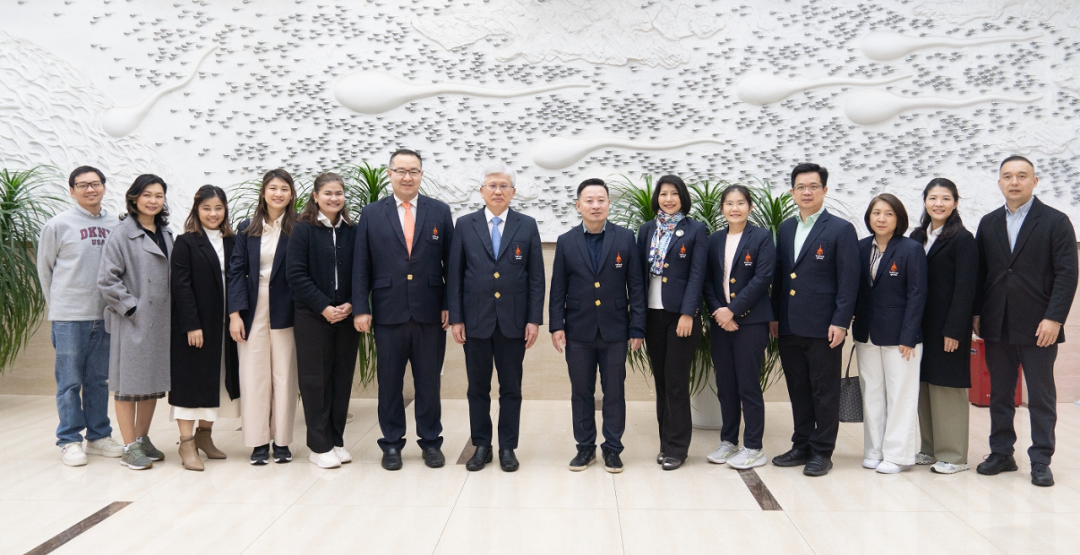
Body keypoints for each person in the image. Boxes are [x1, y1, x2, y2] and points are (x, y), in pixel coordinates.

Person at [974, 155, 1078, 487]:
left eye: (1022, 175)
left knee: (1041, 395)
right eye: (1008, 176)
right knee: (1000, 393)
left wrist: (1054, 319)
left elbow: (1067, 274)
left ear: (1035, 181)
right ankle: (1002, 452)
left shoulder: (1055, 221)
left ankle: (1040, 459)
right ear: (1000, 182)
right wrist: (977, 313)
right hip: (997, 323)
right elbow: (981, 274)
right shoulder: (988, 223)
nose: (1014, 182)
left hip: (1039, 326)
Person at [353, 149, 455, 471]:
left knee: (428, 384)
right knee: (389, 383)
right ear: (389, 174)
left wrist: (449, 304)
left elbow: (451, 264)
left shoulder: (439, 211)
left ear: (421, 174)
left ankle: (430, 443)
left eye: (413, 171)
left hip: (429, 312)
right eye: (401, 171)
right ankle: (392, 444)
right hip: (388, 311)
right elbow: (361, 265)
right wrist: (360, 308)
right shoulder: (371, 213)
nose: (407, 177)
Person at [447, 165, 545, 472]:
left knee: (511, 388)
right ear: (482, 191)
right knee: (477, 388)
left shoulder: (526, 225)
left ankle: (507, 447)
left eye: (504, 186)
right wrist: (457, 318)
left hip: (513, 323)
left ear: (513, 192)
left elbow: (536, 278)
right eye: (492, 185)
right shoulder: (465, 224)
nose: (498, 191)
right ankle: (481, 445)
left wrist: (533, 319)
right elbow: (455, 276)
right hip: (475, 321)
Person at [550, 178, 646, 474]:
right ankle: (585, 448)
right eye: (589, 200)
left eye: (601, 200)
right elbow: (558, 288)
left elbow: (637, 286)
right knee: (581, 391)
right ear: (578, 205)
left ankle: (613, 449)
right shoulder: (566, 241)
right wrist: (556, 326)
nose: (595, 205)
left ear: (608, 204)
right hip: (578, 330)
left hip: (616, 329)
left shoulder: (625, 237)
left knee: (614, 391)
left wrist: (638, 327)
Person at [770, 163, 860, 477]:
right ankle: (802, 444)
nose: (806, 192)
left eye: (813, 186)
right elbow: (781, 277)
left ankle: (822, 451)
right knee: (798, 387)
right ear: (792, 191)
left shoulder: (840, 229)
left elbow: (849, 281)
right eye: (801, 187)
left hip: (824, 327)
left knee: (824, 390)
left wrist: (841, 321)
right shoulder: (786, 228)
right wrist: (774, 317)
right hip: (789, 324)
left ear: (824, 190)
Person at [37, 166, 124, 466]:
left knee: (99, 380)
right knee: (70, 381)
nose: (90, 189)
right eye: (82, 185)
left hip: (106, 315)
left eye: (95, 183)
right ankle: (69, 440)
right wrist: (59, 307)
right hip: (69, 317)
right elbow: (44, 270)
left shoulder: (117, 223)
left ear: (104, 187)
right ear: (72, 190)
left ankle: (99, 435)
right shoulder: (58, 224)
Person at [97, 174, 174, 470]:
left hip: (161, 321)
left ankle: (142, 438)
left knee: (151, 383)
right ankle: (129, 446)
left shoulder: (166, 233)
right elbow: (106, 279)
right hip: (132, 322)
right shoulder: (122, 233)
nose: (153, 200)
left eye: (158, 195)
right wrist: (132, 309)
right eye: (147, 195)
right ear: (134, 198)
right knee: (128, 385)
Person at [287, 172, 360, 469]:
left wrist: (352, 303)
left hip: (346, 315)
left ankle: (336, 440)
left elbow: (362, 270)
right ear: (315, 196)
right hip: (312, 316)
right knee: (316, 381)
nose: (334, 198)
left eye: (339, 193)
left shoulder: (352, 230)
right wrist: (323, 307)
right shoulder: (303, 229)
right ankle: (319, 446)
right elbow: (296, 275)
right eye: (328, 193)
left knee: (341, 379)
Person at [227, 169, 299, 465]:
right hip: (251, 308)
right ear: (263, 192)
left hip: (288, 310)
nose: (278, 193)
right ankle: (258, 443)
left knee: (284, 376)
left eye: (284, 188)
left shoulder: (298, 228)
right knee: (253, 376)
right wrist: (234, 315)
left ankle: (281, 442)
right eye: (273, 188)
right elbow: (235, 271)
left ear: (292, 194)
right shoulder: (247, 227)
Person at [635, 175, 707, 471]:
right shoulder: (646, 230)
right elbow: (638, 277)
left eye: (674, 194)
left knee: (676, 382)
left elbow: (697, 274)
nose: (668, 199)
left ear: (682, 198)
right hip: (652, 315)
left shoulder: (695, 230)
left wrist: (688, 313)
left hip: (681, 318)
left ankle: (678, 448)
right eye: (663, 194)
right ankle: (666, 443)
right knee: (662, 383)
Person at [852, 194, 927, 474]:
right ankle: (874, 450)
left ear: (899, 219)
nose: (881, 219)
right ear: (869, 217)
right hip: (866, 333)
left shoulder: (910, 249)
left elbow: (917, 295)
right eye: (876, 213)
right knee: (871, 392)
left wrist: (909, 335)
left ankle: (897, 455)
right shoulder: (860, 248)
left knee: (901, 395)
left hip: (901, 338)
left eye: (888, 214)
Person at [703, 184, 775, 470]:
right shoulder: (713, 240)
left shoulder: (761, 238)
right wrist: (720, 313)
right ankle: (728, 441)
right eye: (730, 203)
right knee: (726, 384)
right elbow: (707, 281)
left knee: (748, 384)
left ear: (750, 207)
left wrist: (733, 310)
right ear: (722, 209)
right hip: (720, 322)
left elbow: (762, 278)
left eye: (741, 203)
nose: (735, 208)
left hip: (751, 322)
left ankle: (754, 447)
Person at [169, 185, 240, 471]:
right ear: (196, 210)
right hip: (196, 327)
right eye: (207, 208)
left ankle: (204, 437)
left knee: (217, 382)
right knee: (191, 383)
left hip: (225, 326)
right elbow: (181, 286)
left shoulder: (234, 241)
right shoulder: (185, 242)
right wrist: (191, 325)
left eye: (218, 208)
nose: (213, 213)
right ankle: (186, 443)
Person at [909, 178, 977, 474]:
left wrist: (954, 329)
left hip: (948, 326)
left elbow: (966, 289)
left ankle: (953, 454)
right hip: (919, 325)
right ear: (925, 201)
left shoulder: (963, 239)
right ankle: (929, 448)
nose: (939, 203)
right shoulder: (916, 236)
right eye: (933, 197)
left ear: (956, 203)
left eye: (946, 198)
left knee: (947, 386)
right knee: (923, 384)